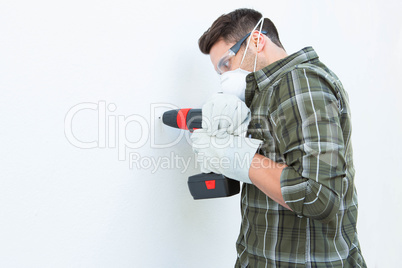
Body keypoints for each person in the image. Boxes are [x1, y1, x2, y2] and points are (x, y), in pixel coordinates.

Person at [191, 8, 366, 267]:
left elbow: (319, 195)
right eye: (220, 73)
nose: (225, 76)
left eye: (226, 64)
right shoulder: (271, 92)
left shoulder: (300, 81)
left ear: (257, 41)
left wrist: (237, 156)